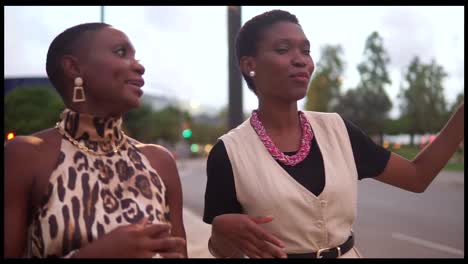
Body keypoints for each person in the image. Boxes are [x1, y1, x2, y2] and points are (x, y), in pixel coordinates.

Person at [203, 10, 464, 258]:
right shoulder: (229, 153)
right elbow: (226, 251)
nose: (301, 59)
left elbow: (417, 177)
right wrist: (221, 233)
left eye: (306, 51)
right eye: (283, 49)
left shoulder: (338, 130)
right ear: (250, 65)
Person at [4, 23, 187, 258]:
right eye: (121, 52)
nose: (139, 67)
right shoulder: (25, 156)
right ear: (74, 67)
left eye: (136, 56)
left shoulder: (160, 161)